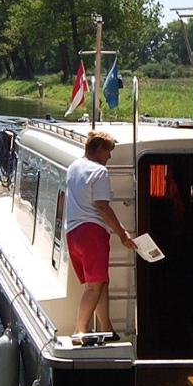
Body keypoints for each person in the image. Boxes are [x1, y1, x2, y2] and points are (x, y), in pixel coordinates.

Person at [64, 130, 136, 341]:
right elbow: (102, 207)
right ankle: (80, 331)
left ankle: (107, 328)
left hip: (73, 233)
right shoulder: (100, 172)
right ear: (98, 149)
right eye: (108, 152)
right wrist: (122, 233)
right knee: (94, 286)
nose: (110, 157)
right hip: (91, 234)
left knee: (101, 282)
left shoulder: (74, 167)